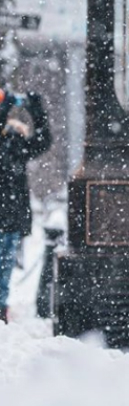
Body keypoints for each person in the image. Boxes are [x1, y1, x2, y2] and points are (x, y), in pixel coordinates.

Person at [0, 90, 51, 324]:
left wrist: (36, 110)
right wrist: (6, 107)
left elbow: (43, 141)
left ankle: (1, 307)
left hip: (10, 216)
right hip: (10, 214)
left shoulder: (17, 148)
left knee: (5, 266)